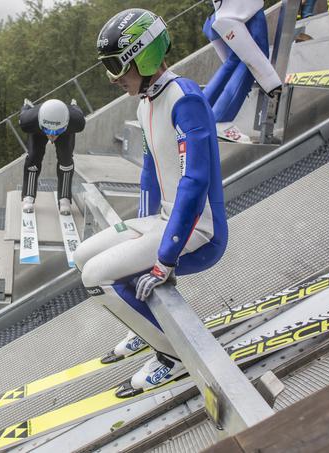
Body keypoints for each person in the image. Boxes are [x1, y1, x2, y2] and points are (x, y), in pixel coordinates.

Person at [75, 8, 228, 397]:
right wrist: (140, 231)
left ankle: (174, 357)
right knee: (83, 255)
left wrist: (164, 258)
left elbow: (195, 181)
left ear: (142, 57)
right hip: (163, 219)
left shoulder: (185, 100)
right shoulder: (145, 103)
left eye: (117, 66)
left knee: (96, 276)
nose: (113, 78)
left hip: (198, 229)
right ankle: (145, 327)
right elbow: (149, 170)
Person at [202, 0, 282, 143]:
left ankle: (199, 112)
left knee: (234, 61)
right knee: (251, 56)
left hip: (221, 10)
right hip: (242, 8)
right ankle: (221, 118)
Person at [19, 98, 85, 215]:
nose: (52, 135)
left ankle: (64, 198)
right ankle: (28, 195)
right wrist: (26, 107)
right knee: (33, 157)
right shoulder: (27, 121)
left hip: (65, 128)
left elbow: (78, 112)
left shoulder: (77, 122)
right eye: (48, 131)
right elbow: (24, 112)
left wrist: (74, 106)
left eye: (56, 131)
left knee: (66, 160)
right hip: (37, 128)